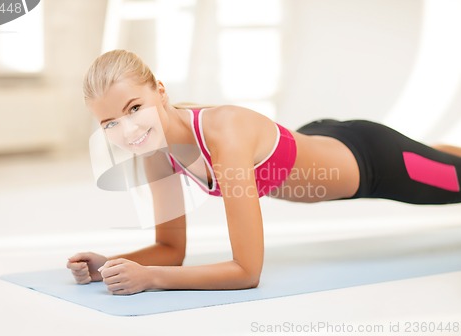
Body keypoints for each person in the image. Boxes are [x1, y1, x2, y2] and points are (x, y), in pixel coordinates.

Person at [67, 49, 461, 295]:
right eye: (109, 123)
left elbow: (246, 271)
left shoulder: (224, 134)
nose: (128, 129)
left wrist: (152, 278)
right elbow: (171, 250)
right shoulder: (155, 151)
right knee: (437, 157)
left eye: (135, 108)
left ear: (161, 90)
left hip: (373, 161)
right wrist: (112, 265)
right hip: (319, 137)